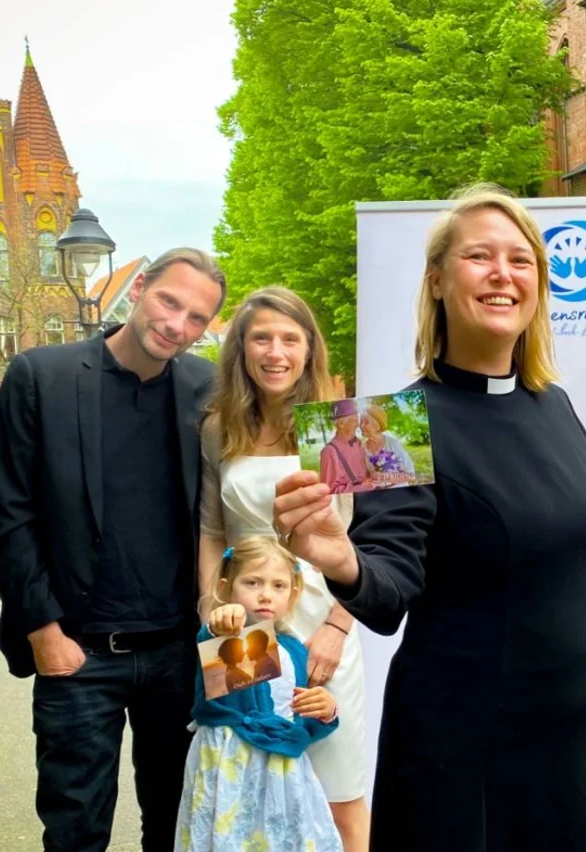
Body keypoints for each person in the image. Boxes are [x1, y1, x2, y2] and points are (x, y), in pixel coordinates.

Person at [270, 182, 586, 851]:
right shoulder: (379, 424)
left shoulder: (557, 405)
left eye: (521, 259)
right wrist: (340, 558)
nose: (503, 274)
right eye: (481, 256)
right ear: (438, 280)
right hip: (464, 755)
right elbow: (390, 592)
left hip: (574, 746)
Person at [0, 247, 224, 851]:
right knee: (75, 828)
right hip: (79, 651)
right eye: (170, 301)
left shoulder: (207, 386)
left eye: (197, 318)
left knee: (178, 822)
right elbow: (13, 514)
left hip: (178, 652)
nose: (177, 325)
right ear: (139, 287)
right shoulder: (43, 376)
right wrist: (43, 631)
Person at [198, 285, 372, 850]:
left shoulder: (342, 424)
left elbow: (380, 540)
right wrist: (212, 609)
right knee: (254, 785)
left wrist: (338, 629)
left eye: (290, 339)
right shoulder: (219, 427)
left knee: (340, 796)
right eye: (261, 338)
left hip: (326, 621)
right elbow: (211, 531)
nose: (276, 352)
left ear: (309, 348)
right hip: (247, 627)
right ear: (240, 350)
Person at [176, 535, 342, 852]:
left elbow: (299, 719)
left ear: (292, 595)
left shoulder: (294, 649)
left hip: (283, 772)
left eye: (278, 586)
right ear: (225, 587)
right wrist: (219, 627)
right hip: (231, 768)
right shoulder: (224, 638)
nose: (265, 595)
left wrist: (326, 710)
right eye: (252, 583)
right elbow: (225, 673)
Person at [319, 401, 373, 493]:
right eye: (355, 420)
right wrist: (361, 487)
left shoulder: (359, 443)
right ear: (341, 424)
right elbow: (330, 492)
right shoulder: (329, 452)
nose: (358, 425)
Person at [359, 403, 416, 486]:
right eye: (361, 422)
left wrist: (385, 476)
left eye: (366, 422)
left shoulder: (392, 443)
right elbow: (367, 475)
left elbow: (411, 475)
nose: (361, 426)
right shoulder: (362, 447)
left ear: (377, 425)